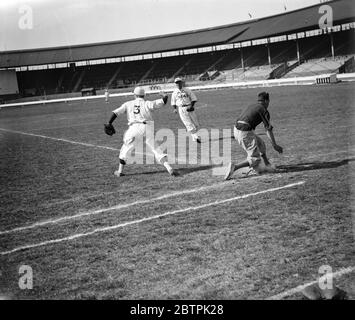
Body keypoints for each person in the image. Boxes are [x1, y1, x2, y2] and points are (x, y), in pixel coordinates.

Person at [105, 87, 177, 177]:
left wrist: (109, 123)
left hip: (134, 128)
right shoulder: (147, 103)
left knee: (125, 149)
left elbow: (116, 113)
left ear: (134, 95)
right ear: (144, 95)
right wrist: (165, 95)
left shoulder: (128, 104)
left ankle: (120, 171)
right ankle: (169, 168)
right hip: (147, 127)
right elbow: (163, 101)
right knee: (156, 149)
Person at [224, 92, 283, 180]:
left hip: (237, 129)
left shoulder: (252, 105)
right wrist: (274, 145)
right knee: (255, 159)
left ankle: (267, 164)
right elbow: (268, 129)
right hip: (244, 132)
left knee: (260, 143)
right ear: (267, 101)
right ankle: (235, 167)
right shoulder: (264, 110)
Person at [171, 77, 201, 143]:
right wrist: (174, 109)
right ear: (175, 84)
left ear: (181, 82)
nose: (178, 84)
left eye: (179, 82)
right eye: (176, 83)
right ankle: (196, 137)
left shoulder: (187, 90)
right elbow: (173, 102)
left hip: (189, 107)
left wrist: (191, 105)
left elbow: (194, 98)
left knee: (196, 124)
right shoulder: (174, 92)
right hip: (181, 109)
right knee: (188, 123)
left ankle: (194, 137)